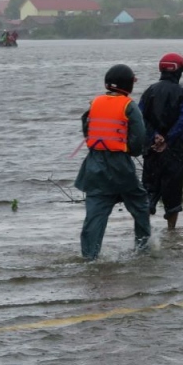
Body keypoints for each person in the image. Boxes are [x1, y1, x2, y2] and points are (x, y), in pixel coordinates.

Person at [75, 64, 151, 259]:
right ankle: (143, 250)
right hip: (119, 164)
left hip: (93, 165)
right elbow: (139, 136)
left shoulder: (95, 103)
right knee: (140, 203)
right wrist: (132, 151)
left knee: (95, 213)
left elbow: (86, 128)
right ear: (128, 85)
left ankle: (89, 258)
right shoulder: (129, 105)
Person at [139, 52, 183, 229]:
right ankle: (172, 233)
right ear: (179, 71)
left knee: (148, 190)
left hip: (151, 147)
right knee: (173, 192)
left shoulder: (149, 91)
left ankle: (143, 234)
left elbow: (139, 117)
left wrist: (154, 135)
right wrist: (167, 139)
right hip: (174, 149)